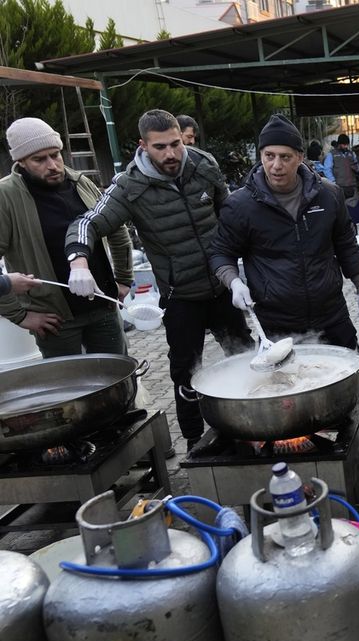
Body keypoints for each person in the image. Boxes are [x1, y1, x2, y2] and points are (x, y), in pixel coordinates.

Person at [65, 109, 251, 451]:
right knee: (185, 371)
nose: (171, 154)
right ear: (143, 146)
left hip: (224, 286)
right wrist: (78, 261)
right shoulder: (129, 185)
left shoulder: (203, 163)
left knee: (247, 355)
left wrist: (244, 270)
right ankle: (196, 440)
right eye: (160, 147)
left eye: (176, 144)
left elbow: (231, 214)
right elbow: (88, 222)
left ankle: (252, 425)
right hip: (181, 295)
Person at [209, 114, 359, 454]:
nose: (276, 165)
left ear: (300, 158)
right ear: (261, 157)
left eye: (285, 156)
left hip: (329, 310)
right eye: (269, 156)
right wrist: (232, 281)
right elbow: (220, 253)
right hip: (277, 319)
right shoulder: (241, 205)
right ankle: (295, 450)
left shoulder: (328, 195)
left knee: (357, 377)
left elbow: (345, 244)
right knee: (283, 389)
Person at [0, 117, 132, 357]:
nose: (52, 165)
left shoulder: (80, 182)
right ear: (20, 162)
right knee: (73, 389)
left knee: (119, 382)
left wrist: (123, 279)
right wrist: (19, 316)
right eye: (39, 159)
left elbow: (116, 229)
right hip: (55, 319)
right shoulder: (6, 196)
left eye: (56, 155)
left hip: (103, 307)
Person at [331, 134, 359, 200]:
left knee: (353, 204)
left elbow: (357, 167)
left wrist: (355, 167)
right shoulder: (332, 154)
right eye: (344, 144)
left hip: (351, 185)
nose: (346, 146)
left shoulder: (351, 154)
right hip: (339, 185)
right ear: (339, 144)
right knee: (342, 205)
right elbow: (327, 169)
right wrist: (332, 181)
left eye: (347, 144)